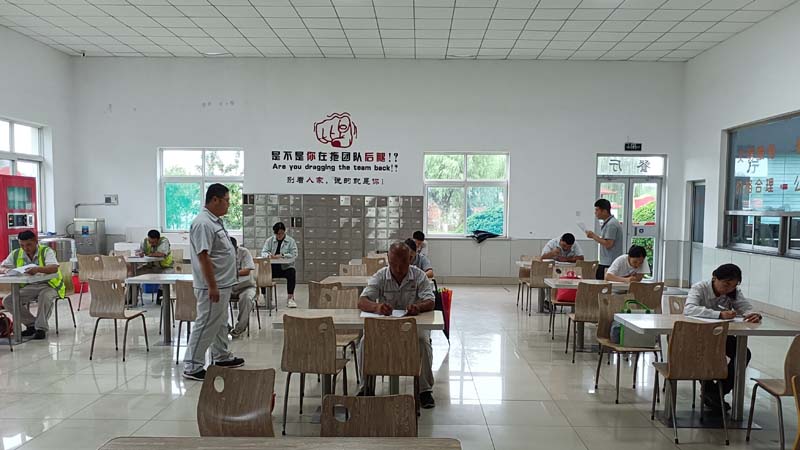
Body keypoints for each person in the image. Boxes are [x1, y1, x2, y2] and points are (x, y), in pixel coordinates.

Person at [357, 241, 437, 408]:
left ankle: (424, 390)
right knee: (365, 341)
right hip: (386, 326)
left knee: (423, 341)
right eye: (394, 264)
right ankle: (366, 387)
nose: (399, 269)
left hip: (412, 325)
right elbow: (362, 301)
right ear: (388, 259)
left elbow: (430, 301)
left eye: (403, 264)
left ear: (410, 259)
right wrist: (377, 307)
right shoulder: (380, 276)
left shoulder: (419, 275)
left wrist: (418, 307)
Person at [183, 183, 245, 381]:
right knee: (206, 324)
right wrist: (212, 286)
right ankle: (192, 365)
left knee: (219, 323)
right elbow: (204, 257)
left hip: (222, 283)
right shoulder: (203, 223)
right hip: (212, 285)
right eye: (226, 200)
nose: (228, 205)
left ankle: (221, 356)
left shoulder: (215, 222)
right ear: (215, 199)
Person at [684, 263, 762, 412]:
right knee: (704, 354)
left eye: (733, 285)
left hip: (721, 335)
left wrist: (754, 315)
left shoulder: (733, 292)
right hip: (698, 335)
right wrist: (719, 314)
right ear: (715, 277)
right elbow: (689, 309)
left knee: (743, 354)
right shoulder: (700, 288)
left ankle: (717, 391)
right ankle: (712, 393)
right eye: (726, 284)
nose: (729, 289)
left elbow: (746, 307)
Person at [0, 230, 64, 340]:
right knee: (8, 300)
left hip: (50, 285)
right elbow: (2, 266)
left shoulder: (46, 251)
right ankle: (31, 324)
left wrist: (37, 269)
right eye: (22, 245)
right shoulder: (16, 253)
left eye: (29, 244)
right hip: (30, 286)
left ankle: (41, 329)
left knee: (45, 296)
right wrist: (6, 270)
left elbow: (54, 268)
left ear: (36, 241)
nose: (25, 248)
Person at [260, 222, 298, 308]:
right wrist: (269, 256)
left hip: (285, 267)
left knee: (292, 272)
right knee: (263, 273)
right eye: (277, 234)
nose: (279, 235)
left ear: (284, 232)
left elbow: (294, 254)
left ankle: (290, 298)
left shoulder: (291, 241)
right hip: (272, 267)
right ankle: (265, 297)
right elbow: (264, 252)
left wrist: (282, 255)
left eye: (281, 233)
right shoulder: (269, 240)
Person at [586, 198, 624, 280]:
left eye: (597, 210)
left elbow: (608, 244)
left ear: (604, 211)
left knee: (602, 284)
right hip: (607, 261)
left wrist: (593, 236)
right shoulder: (609, 223)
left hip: (609, 262)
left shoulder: (611, 224)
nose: (595, 212)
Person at [135, 229, 174, 302]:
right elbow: (140, 251)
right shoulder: (145, 242)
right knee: (134, 274)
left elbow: (161, 254)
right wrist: (140, 253)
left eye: (153, 242)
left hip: (165, 268)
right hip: (151, 267)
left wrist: (149, 254)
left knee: (165, 279)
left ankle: (162, 301)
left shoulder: (164, 241)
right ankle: (132, 299)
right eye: (150, 241)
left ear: (158, 239)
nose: (151, 244)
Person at [229, 237, 256, 339]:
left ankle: (239, 329)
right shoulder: (222, 254)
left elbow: (247, 271)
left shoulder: (244, 252)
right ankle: (226, 327)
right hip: (229, 287)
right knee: (215, 302)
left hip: (246, 286)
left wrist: (230, 273)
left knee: (247, 299)